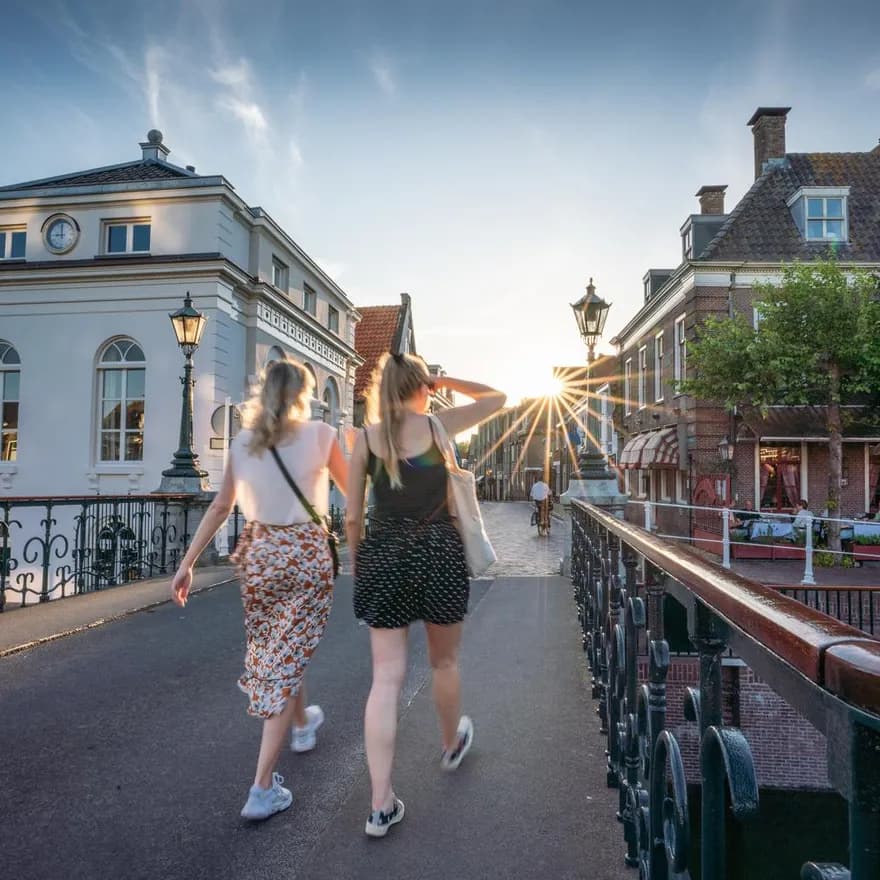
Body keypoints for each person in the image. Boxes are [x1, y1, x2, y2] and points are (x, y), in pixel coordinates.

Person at [170, 358, 349, 822]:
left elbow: (220, 507)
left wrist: (186, 564)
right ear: (302, 395)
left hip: (260, 556)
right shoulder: (321, 437)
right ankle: (262, 787)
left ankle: (304, 723)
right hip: (306, 556)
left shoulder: (242, 442)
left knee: (281, 650)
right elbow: (357, 496)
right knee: (284, 657)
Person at [346, 352, 505, 838]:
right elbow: (498, 398)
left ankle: (380, 805)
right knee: (443, 663)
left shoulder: (366, 439)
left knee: (386, 678)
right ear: (422, 386)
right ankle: (451, 742)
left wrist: (360, 564)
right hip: (439, 550)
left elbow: (352, 517)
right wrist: (446, 379)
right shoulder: (438, 426)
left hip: (385, 554)